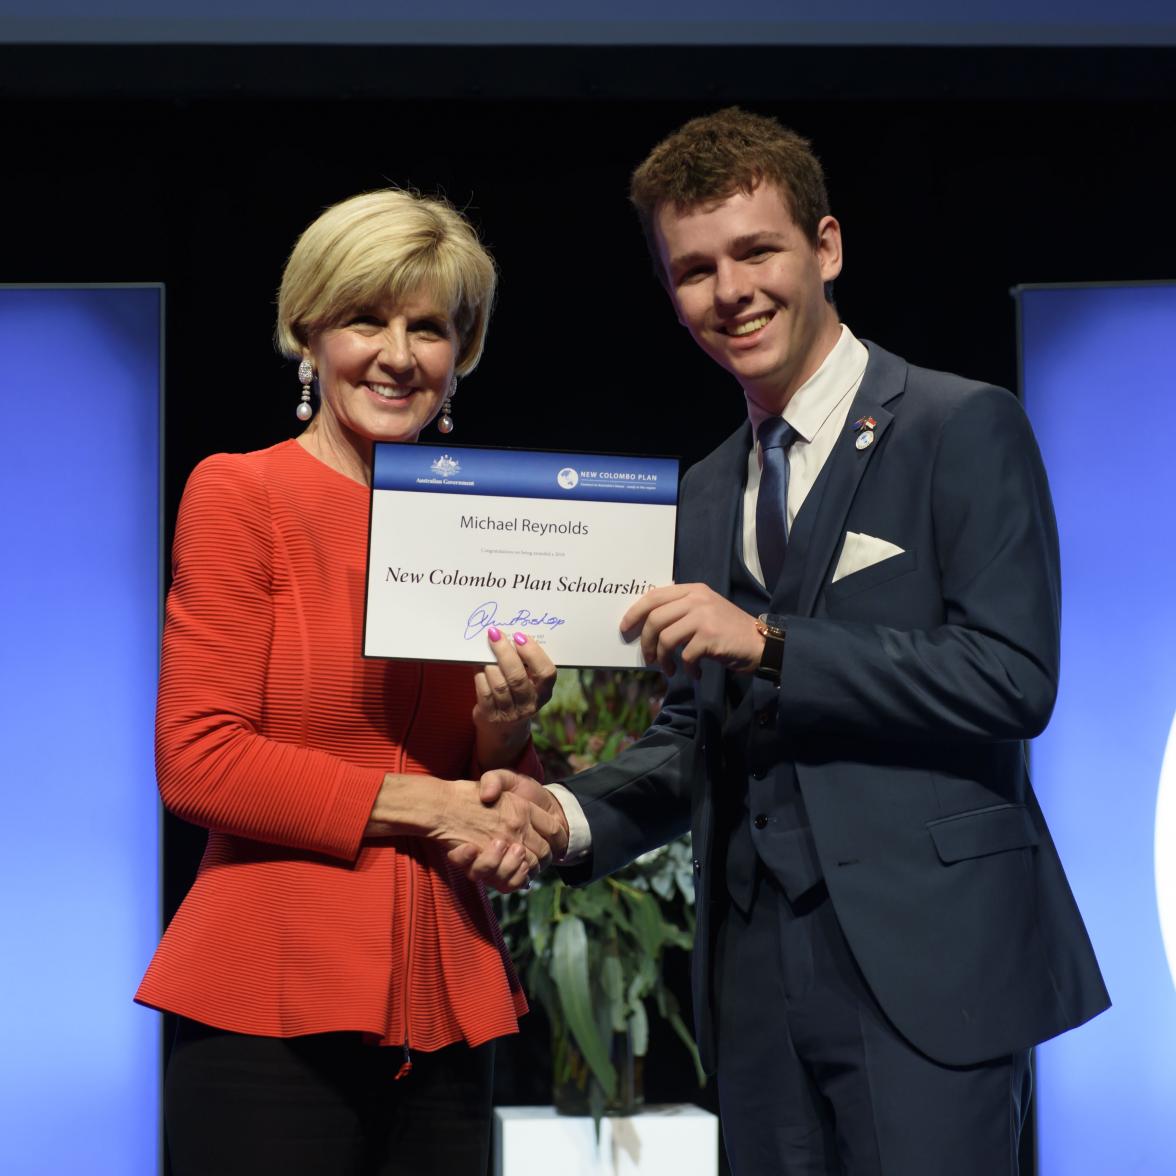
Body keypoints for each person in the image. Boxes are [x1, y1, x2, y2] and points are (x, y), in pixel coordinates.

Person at [471, 109, 1110, 1174]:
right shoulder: (709, 486)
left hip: (930, 968)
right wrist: (564, 816)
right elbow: (697, 734)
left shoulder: (961, 425)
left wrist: (771, 641)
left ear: (827, 248)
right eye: (694, 269)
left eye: (758, 251)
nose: (731, 291)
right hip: (758, 980)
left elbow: (1012, 677)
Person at [135, 188, 564, 1176]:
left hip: (447, 1008)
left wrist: (504, 742)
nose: (399, 354)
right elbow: (199, 760)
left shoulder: (485, 522)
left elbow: (481, 785)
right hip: (266, 1012)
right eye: (367, 320)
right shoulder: (243, 494)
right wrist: (438, 806)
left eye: (430, 328)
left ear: (465, 350)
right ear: (307, 333)